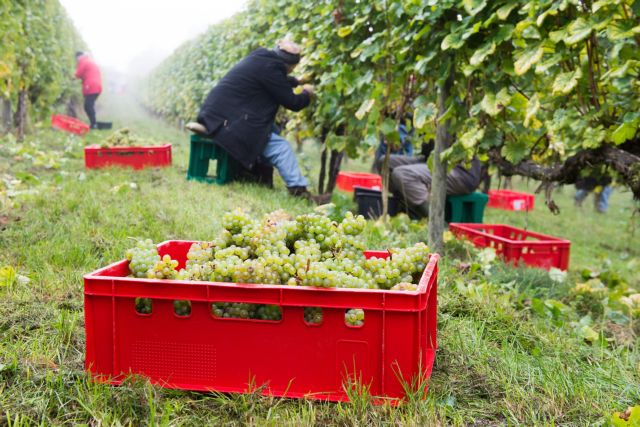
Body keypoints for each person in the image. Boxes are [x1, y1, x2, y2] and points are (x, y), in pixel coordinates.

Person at [187, 40, 326, 202]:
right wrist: (307, 93)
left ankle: (258, 176)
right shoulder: (272, 69)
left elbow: (275, 81)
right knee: (281, 147)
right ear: (291, 66)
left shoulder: (261, 58)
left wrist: (297, 81)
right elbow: (292, 103)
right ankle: (298, 191)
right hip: (227, 122)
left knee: (271, 130)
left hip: (215, 115)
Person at [376, 143, 481, 218]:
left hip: (460, 172)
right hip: (433, 160)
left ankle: (435, 221)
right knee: (385, 162)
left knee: (403, 174)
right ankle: (405, 208)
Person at [74, 52, 102, 129]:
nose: (77, 61)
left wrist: (71, 77)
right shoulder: (89, 61)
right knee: (90, 105)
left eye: (76, 59)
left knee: (88, 106)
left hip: (91, 86)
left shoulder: (83, 61)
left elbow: (78, 74)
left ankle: (94, 124)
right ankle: (94, 123)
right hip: (97, 86)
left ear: (78, 57)